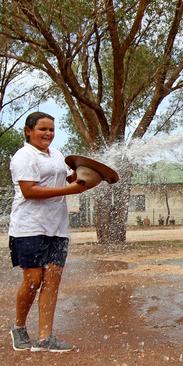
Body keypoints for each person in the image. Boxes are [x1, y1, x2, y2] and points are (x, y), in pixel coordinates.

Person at [8, 111, 87, 352]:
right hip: (29, 227)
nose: (48, 134)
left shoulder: (57, 155)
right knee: (33, 280)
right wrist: (69, 191)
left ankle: (45, 338)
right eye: (43, 129)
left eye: (51, 129)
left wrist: (87, 175)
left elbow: (69, 178)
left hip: (58, 228)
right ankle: (19, 328)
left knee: (52, 281)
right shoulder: (24, 156)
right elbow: (29, 191)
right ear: (29, 131)